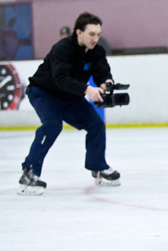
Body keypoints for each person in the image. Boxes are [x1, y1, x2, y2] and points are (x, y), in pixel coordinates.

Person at [18, 12, 121, 196]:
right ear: (78, 32)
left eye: (98, 34)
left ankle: (98, 168)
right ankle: (29, 173)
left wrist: (107, 82)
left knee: (96, 124)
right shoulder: (62, 49)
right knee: (52, 124)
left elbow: (102, 72)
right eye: (91, 34)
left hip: (70, 97)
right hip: (44, 92)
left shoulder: (97, 51)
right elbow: (61, 79)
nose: (95, 39)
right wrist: (87, 89)